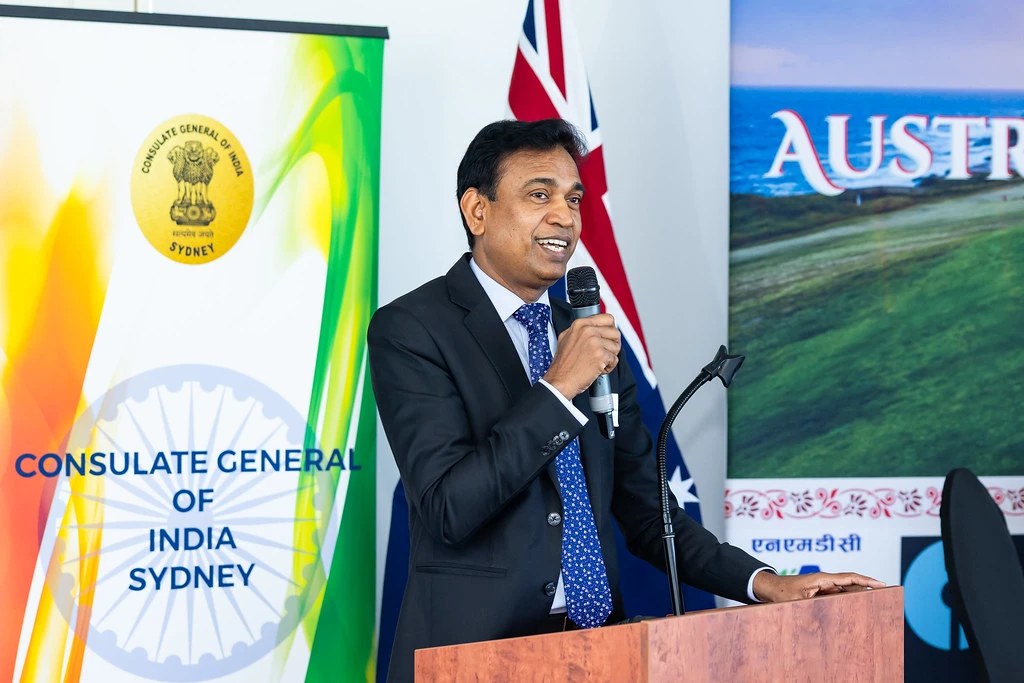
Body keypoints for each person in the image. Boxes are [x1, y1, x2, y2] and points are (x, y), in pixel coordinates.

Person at [367, 119, 883, 682]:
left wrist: (765, 583)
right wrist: (559, 388)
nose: (564, 217)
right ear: (477, 210)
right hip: (472, 659)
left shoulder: (593, 337)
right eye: (539, 195)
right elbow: (448, 507)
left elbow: (649, 514)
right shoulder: (413, 329)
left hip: (600, 654)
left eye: (573, 198)